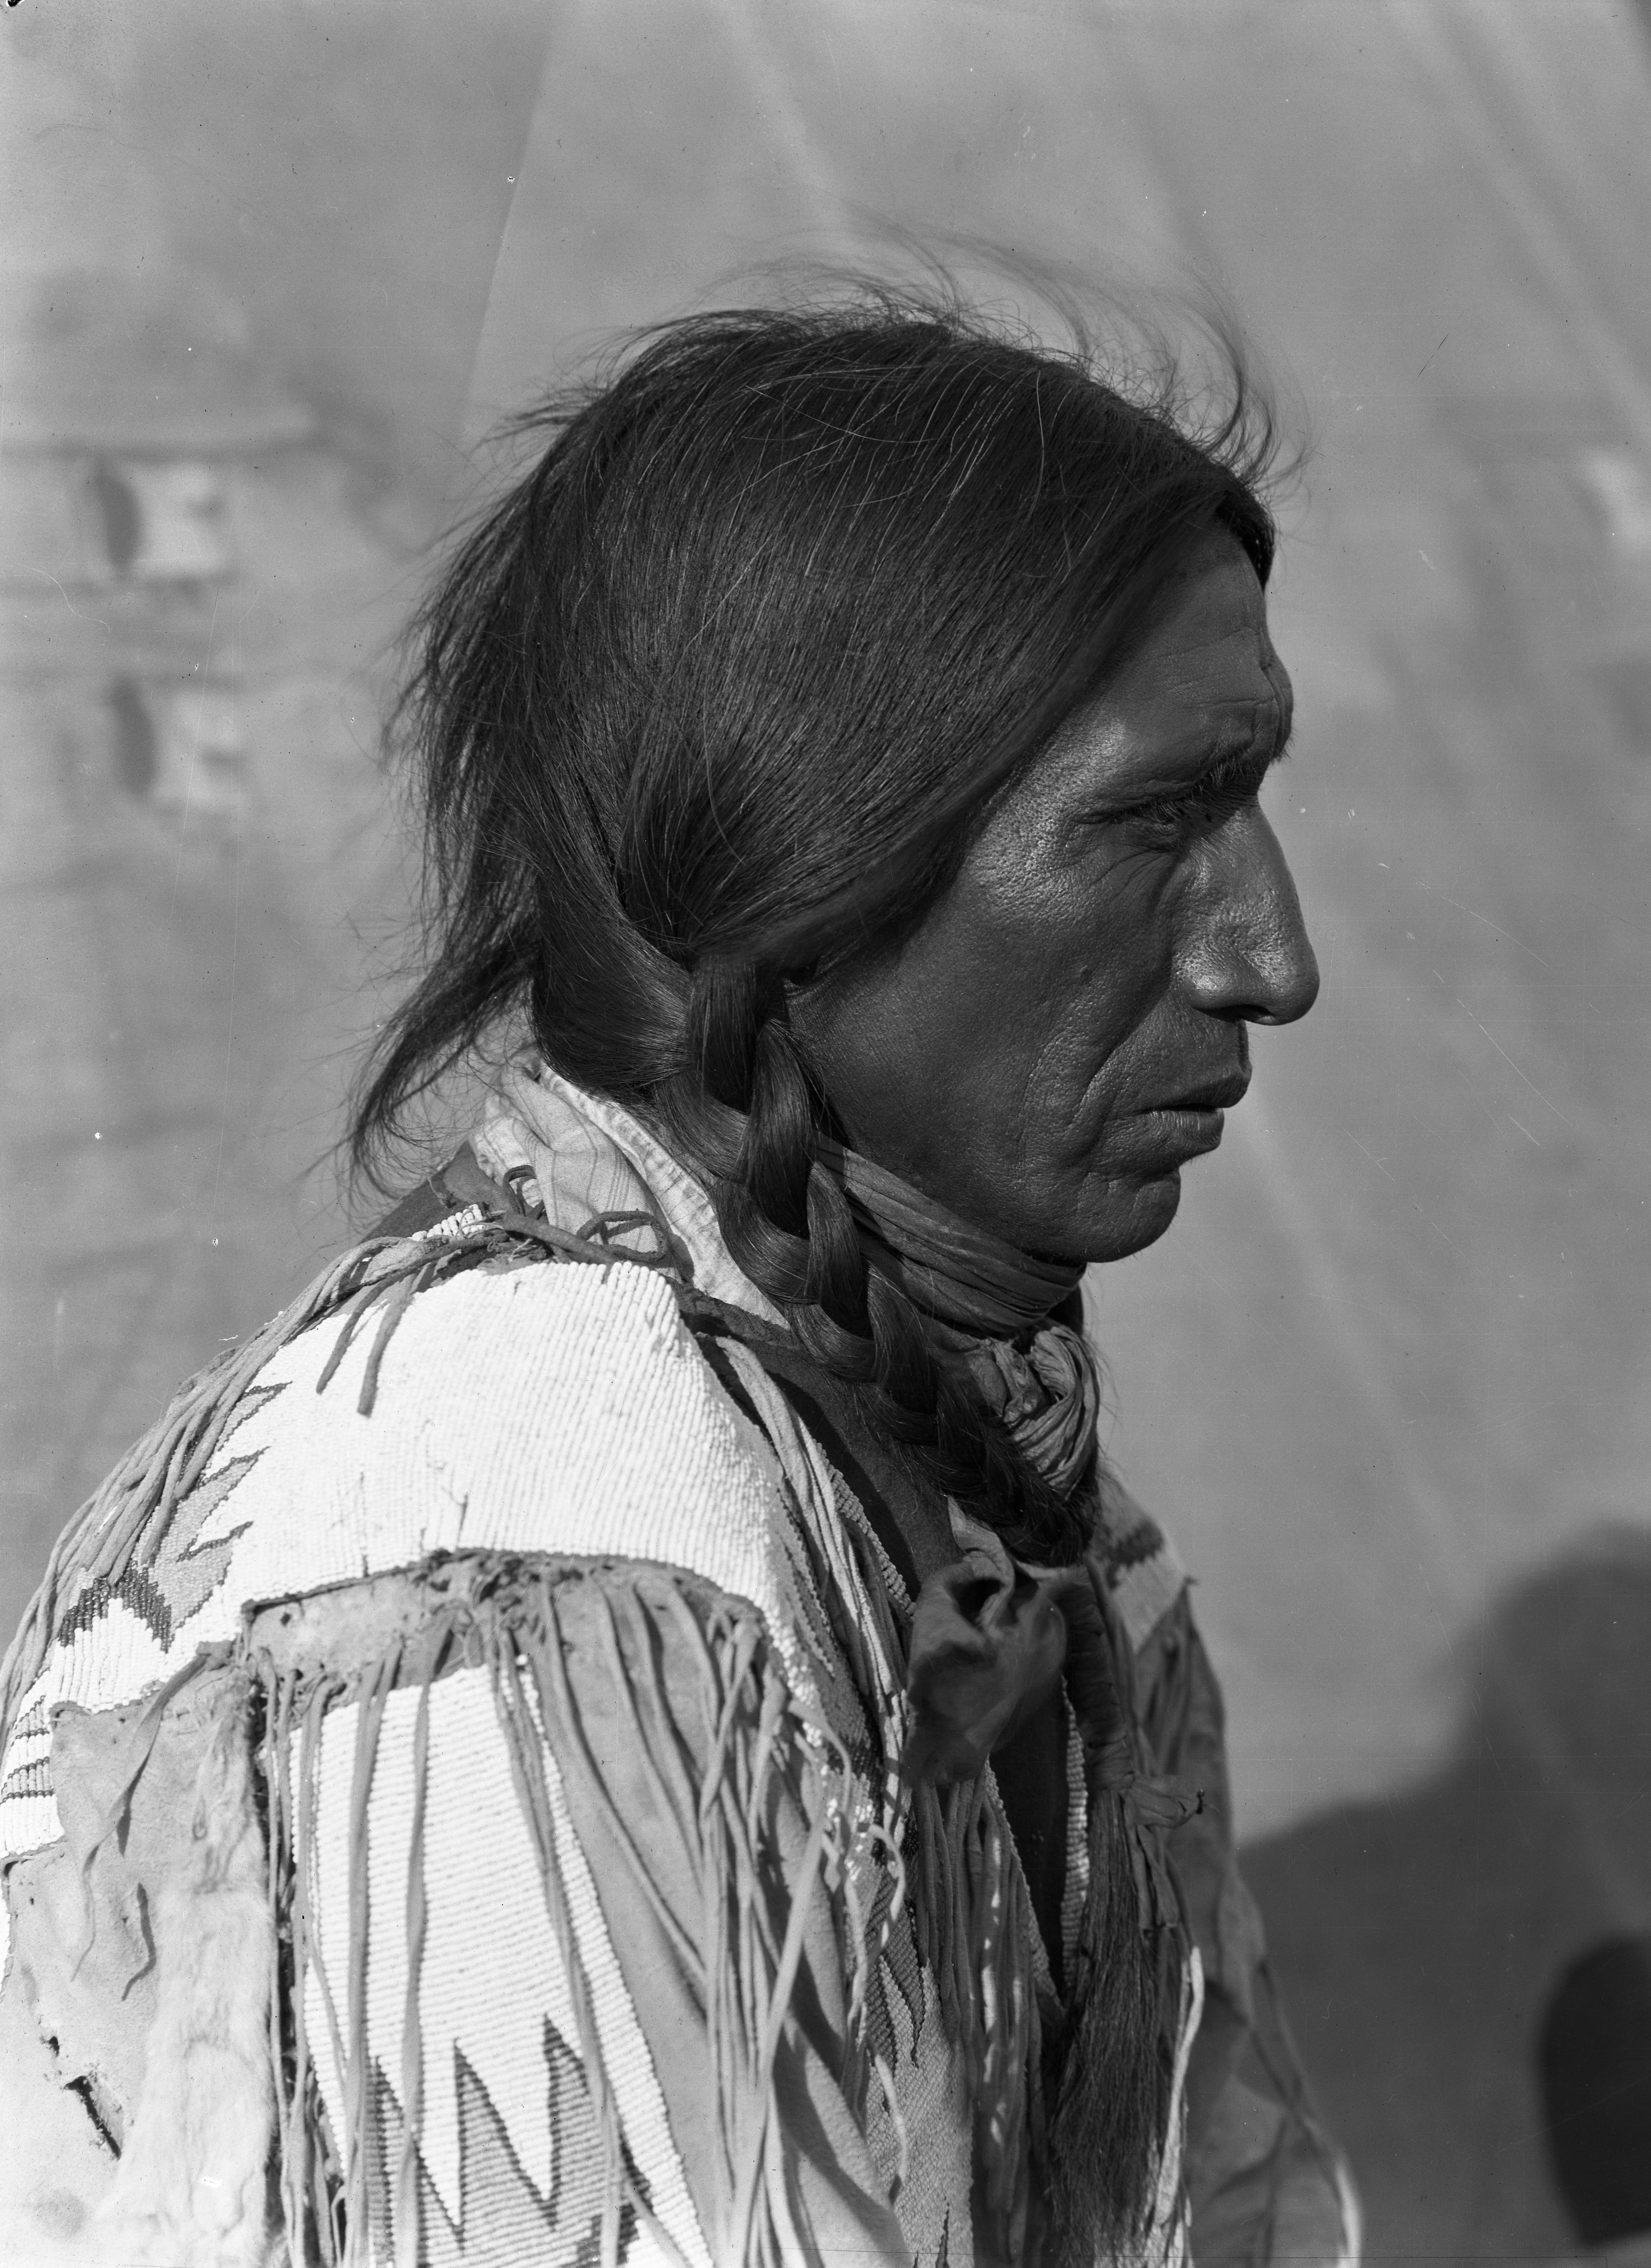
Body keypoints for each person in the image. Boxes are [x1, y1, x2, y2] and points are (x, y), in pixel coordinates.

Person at [0, 286, 1356, 2268]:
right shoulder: (517, 1545)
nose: (1270, 956)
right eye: (1155, 819)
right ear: (805, 868)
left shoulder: (1004, 1500)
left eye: (1249, 800)